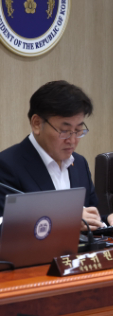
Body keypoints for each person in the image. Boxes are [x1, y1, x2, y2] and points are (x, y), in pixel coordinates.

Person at [0, 81, 103, 230]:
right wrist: (67, 220)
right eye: (64, 130)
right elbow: (6, 228)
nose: (72, 140)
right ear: (36, 123)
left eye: (78, 130)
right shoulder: (7, 166)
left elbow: (89, 217)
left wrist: (109, 220)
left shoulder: (79, 163)